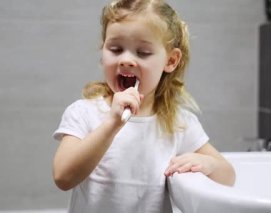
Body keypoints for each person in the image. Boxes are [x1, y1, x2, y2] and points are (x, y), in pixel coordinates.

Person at [52, 0, 235, 212]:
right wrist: (111, 124)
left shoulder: (178, 123)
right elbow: (63, 177)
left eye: (143, 53)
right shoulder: (84, 113)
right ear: (103, 51)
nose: (126, 60)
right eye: (116, 49)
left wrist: (208, 164)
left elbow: (228, 176)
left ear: (171, 60)